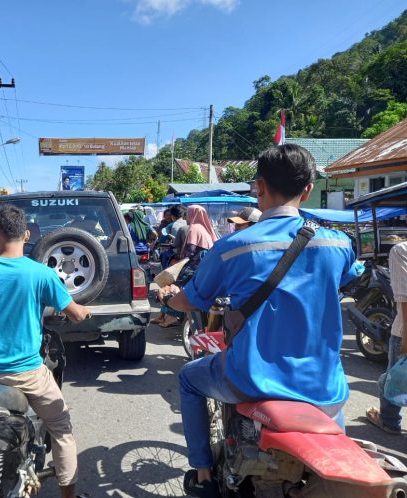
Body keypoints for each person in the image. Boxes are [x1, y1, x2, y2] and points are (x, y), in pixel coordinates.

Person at [158, 144, 361, 498]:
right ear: (308, 189)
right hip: (325, 391)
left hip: (251, 380)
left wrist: (166, 297)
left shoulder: (234, 246)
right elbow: (352, 277)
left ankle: (203, 476)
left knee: (189, 378)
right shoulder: (338, 243)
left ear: (259, 187)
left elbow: (190, 299)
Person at [0, 204, 91, 498]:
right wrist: (85, 311)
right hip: (25, 373)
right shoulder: (41, 274)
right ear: (26, 235)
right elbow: (76, 314)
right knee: (62, 430)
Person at [365, 241, 407, 435]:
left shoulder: (401, 250)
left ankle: (389, 421)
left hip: (403, 330)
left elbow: (404, 297)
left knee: (392, 379)